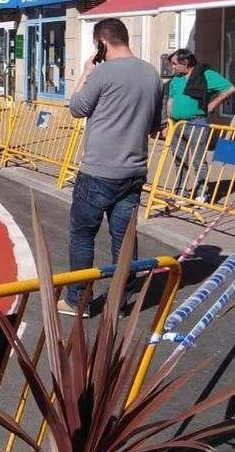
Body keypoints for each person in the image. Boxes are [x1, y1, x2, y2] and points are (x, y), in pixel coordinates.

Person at [60, 18, 163, 317]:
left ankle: (76, 299)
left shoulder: (102, 73)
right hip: (133, 172)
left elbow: (77, 109)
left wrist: (85, 72)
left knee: (82, 235)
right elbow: (155, 126)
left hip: (98, 171)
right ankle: (119, 302)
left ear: (101, 44)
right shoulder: (151, 74)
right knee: (125, 238)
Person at [166, 48, 235, 202]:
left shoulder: (205, 75)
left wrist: (214, 103)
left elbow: (230, 88)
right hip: (177, 125)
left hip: (197, 123)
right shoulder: (176, 79)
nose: (173, 67)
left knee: (198, 159)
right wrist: (169, 122)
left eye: (175, 64)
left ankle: (202, 193)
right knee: (179, 159)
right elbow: (171, 100)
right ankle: (179, 192)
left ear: (186, 63)